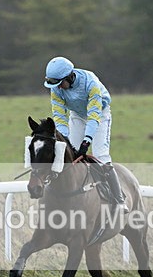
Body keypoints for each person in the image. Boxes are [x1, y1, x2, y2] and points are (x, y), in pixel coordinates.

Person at [43, 56, 127, 212]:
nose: (58, 88)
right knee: (71, 155)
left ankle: (119, 199)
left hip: (99, 114)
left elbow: (94, 115)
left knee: (101, 155)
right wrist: (65, 141)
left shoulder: (90, 82)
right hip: (77, 115)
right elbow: (59, 117)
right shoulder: (56, 89)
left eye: (60, 84)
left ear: (69, 77)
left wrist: (87, 140)